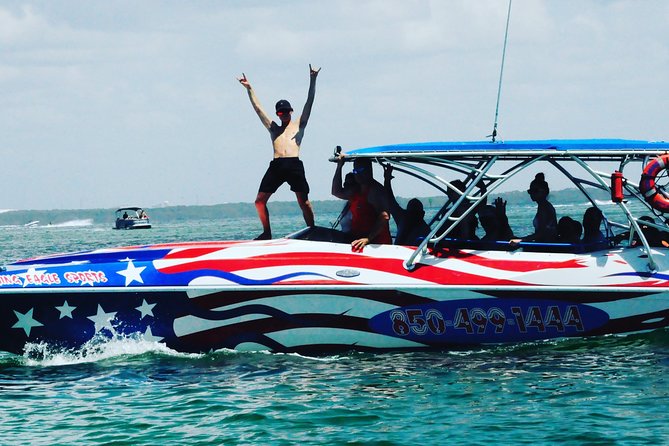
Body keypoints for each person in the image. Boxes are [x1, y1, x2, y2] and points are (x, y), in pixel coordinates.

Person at [238, 65, 320, 240]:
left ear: (291, 112)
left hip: (294, 164)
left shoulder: (299, 126)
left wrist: (313, 80)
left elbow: (309, 103)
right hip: (277, 165)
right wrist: (249, 89)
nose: (284, 114)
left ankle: (312, 231)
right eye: (280, 112)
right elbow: (259, 110)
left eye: (286, 111)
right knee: (259, 201)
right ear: (277, 113)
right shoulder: (274, 128)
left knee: (303, 202)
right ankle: (267, 232)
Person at [332, 156, 392, 251]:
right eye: (355, 171)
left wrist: (368, 239)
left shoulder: (376, 190)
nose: (357, 174)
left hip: (375, 245)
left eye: (360, 170)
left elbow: (385, 216)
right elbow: (336, 192)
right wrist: (339, 167)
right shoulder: (356, 189)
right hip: (358, 242)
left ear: (369, 170)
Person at [383, 165, 431, 246]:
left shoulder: (425, 230)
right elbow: (389, 199)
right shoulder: (402, 218)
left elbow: (390, 200)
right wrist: (387, 180)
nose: (414, 216)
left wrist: (387, 180)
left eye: (416, 213)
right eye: (412, 213)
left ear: (422, 214)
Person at [510, 173, 557, 246]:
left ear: (544, 191)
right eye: (530, 191)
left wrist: (521, 240)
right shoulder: (543, 206)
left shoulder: (545, 207)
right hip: (544, 244)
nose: (531, 193)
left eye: (535, 191)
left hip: (546, 247)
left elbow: (543, 233)